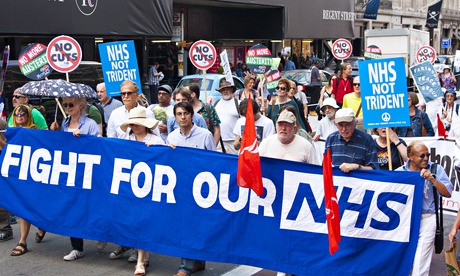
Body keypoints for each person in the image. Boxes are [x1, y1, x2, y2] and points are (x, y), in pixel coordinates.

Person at [168, 101, 215, 276]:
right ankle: (185, 266)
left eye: (185, 113)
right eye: (179, 114)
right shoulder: (172, 138)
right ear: (175, 117)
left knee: (197, 225)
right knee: (185, 225)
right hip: (180, 188)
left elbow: (213, 161)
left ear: (192, 115)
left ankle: (197, 262)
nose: (182, 117)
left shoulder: (205, 135)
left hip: (201, 188)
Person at [50, 97, 100, 261]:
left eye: (71, 104)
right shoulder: (64, 123)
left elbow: (99, 145)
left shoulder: (90, 124)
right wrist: (55, 133)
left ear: (81, 106)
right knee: (72, 208)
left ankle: (101, 234)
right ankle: (77, 247)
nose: (67, 107)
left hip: (87, 172)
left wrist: (83, 139)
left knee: (91, 206)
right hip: (70, 171)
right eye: (65, 105)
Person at [396, 141, 452, 275]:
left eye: (428, 155)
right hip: (405, 220)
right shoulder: (399, 172)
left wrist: (433, 180)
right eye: (422, 155)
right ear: (410, 156)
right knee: (403, 259)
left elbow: (447, 193)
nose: (426, 158)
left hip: (427, 218)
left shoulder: (435, 169)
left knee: (421, 263)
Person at [119, 107, 164, 276]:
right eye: (132, 123)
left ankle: (140, 262)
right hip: (129, 187)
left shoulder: (156, 140)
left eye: (138, 123)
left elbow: (167, 159)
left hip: (149, 188)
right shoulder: (126, 139)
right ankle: (143, 256)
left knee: (143, 222)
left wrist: (156, 151)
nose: (135, 126)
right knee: (134, 222)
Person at [8, 105, 45, 257]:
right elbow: (9, 150)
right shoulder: (12, 132)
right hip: (20, 174)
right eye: (17, 114)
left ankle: (42, 224)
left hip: (35, 174)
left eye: (23, 114)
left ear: (28, 115)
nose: (20, 116)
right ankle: (22, 241)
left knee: (37, 204)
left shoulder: (35, 130)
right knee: (24, 205)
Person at [325, 108, 378, 172]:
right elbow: (325, 166)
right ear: (335, 125)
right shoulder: (331, 139)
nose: (344, 129)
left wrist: (356, 167)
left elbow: (374, 170)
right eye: (340, 125)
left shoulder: (366, 139)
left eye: (347, 125)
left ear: (355, 123)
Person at [214, 81, 240, 154]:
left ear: (232, 90)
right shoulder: (216, 104)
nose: (225, 91)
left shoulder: (238, 103)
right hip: (219, 141)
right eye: (223, 89)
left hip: (234, 142)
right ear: (220, 91)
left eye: (227, 89)